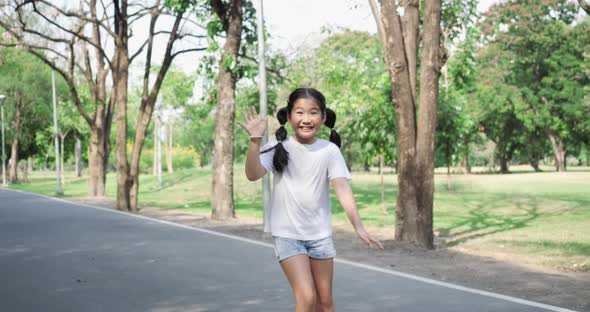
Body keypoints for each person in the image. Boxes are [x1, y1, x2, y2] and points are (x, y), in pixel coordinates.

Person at [238, 87, 383, 312]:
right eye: (299, 112)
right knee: (306, 298)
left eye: (313, 112)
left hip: (320, 237)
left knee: (325, 304)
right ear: (288, 116)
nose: (306, 119)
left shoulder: (329, 151)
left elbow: (343, 189)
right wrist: (255, 141)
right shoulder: (277, 148)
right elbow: (252, 174)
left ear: (324, 117)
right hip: (288, 236)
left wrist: (359, 227)